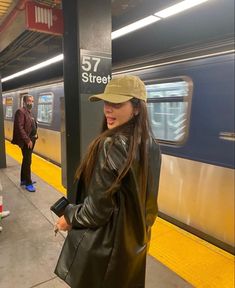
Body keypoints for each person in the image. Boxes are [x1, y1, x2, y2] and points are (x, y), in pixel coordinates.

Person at [54, 75, 162, 288]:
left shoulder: (110, 145)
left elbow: (96, 211)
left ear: (137, 108)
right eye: (107, 102)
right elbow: (149, 208)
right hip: (133, 249)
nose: (108, 109)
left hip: (104, 255)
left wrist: (68, 217)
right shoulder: (151, 145)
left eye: (117, 103)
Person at [11, 95, 37, 192]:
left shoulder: (29, 112)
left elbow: (32, 125)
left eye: (32, 101)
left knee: (26, 160)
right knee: (28, 161)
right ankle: (28, 183)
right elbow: (20, 127)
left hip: (32, 139)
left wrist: (35, 134)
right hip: (27, 141)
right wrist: (27, 140)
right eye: (29, 101)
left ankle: (23, 179)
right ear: (24, 102)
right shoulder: (20, 112)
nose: (31, 103)